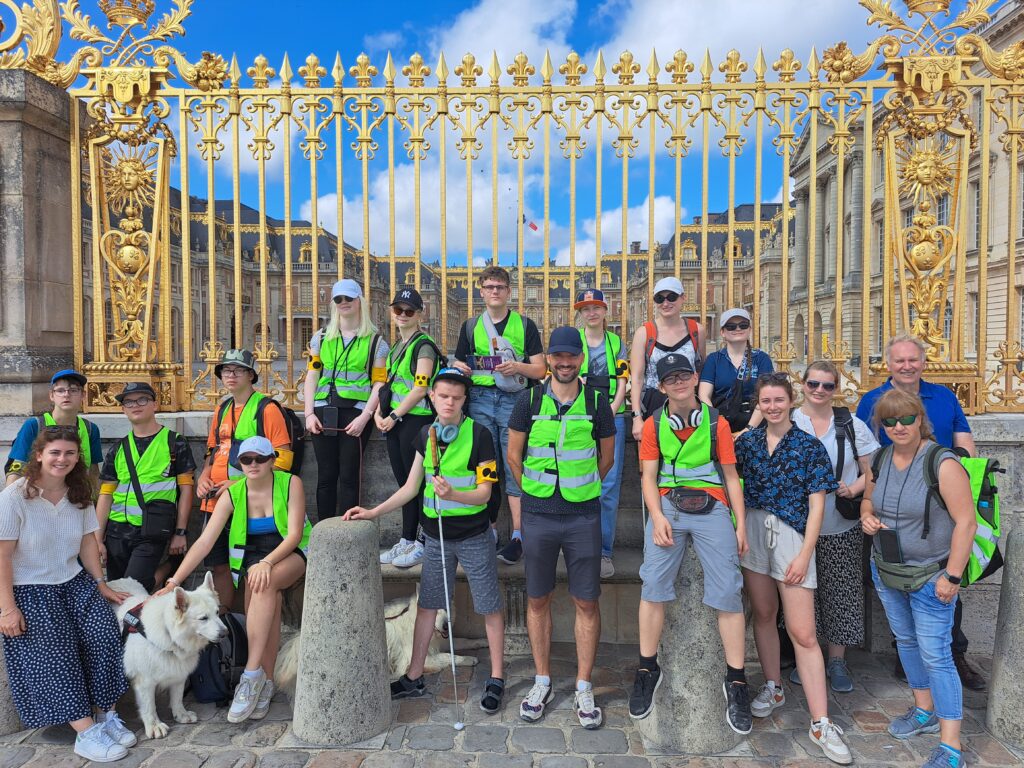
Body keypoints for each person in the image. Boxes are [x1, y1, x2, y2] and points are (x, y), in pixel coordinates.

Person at [345, 368, 506, 712]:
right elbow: (409, 488)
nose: (449, 402)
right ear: (432, 397)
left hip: (474, 535)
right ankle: (413, 674)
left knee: (489, 605)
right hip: (436, 536)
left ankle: (496, 677)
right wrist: (373, 512)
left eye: (456, 397)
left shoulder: (480, 436)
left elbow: (483, 494)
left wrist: (454, 493)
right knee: (428, 605)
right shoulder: (425, 434)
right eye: (443, 395)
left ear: (465, 401)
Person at [629, 352, 752, 734]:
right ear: (662, 387)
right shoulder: (653, 424)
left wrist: (740, 523)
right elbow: (648, 476)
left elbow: (731, 476)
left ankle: (736, 679)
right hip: (670, 503)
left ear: (695, 378)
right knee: (653, 585)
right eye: (671, 379)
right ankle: (648, 667)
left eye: (685, 375)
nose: (679, 382)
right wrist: (657, 517)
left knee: (729, 590)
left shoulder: (717, 423)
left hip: (712, 502)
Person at [0, 428, 136, 763]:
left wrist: (100, 582)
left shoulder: (79, 493)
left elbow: (89, 543)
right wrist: (6, 609)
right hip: (30, 588)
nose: (62, 459)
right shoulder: (16, 497)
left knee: (104, 635)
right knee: (55, 654)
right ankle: (86, 734)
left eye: (69, 454)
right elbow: (2, 556)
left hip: (73, 581)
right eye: (55, 452)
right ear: (39, 455)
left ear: (78, 458)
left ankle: (106, 716)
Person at [735, 373, 851, 765]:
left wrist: (805, 553)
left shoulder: (808, 445)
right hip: (754, 527)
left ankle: (820, 721)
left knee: (803, 632)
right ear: (759, 404)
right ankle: (774, 685)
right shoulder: (747, 443)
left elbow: (817, 504)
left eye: (778, 401)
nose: (772, 407)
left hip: (791, 536)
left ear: (790, 401)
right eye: (765, 401)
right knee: (764, 615)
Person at [856, 334, 983, 691]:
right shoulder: (871, 400)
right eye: (900, 361)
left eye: (913, 359)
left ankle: (954, 655)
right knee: (895, 580)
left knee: (944, 583)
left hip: (939, 504)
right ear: (889, 364)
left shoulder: (944, 397)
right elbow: (865, 451)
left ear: (923, 362)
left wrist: (956, 478)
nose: (907, 366)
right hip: (893, 507)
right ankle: (907, 655)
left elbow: (964, 444)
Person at [158, 436, 311, 724]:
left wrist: (266, 563)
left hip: (291, 552)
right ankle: (265, 684)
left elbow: (293, 536)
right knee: (268, 600)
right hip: (253, 561)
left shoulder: (291, 483)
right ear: (239, 462)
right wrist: (173, 581)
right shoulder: (232, 494)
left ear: (272, 460)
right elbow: (204, 542)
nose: (253, 464)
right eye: (246, 459)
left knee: (264, 583)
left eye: (260, 458)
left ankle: (251, 675)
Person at [861, 389, 976, 768]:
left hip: (931, 575)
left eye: (905, 419)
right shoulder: (880, 458)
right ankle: (923, 710)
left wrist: (953, 577)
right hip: (889, 569)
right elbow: (868, 498)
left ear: (920, 420)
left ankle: (951, 744)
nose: (898, 427)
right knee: (907, 643)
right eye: (889, 421)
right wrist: (867, 516)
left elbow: (966, 523)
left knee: (937, 655)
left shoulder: (942, 463)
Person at [507, 326, 616, 729]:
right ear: (549, 360)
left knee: (586, 601)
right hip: (538, 514)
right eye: (559, 357)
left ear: (580, 360)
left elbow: (607, 457)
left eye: (573, 357)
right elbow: (513, 456)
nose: (566, 363)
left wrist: (582, 488)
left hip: (583, 514)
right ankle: (542, 680)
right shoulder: (528, 401)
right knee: (537, 598)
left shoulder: (597, 403)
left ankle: (584, 685)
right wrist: (534, 494)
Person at [789, 361, 879, 693]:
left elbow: (871, 469)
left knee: (841, 591)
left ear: (835, 388)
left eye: (827, 386)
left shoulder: (850, 424)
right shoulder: (790, 420)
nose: (820, 391)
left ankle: (837, 660)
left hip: (840, 521)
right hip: (797, 525)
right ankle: (806, 656)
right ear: (803, 385)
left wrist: (853, 489)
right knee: (803, 595)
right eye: (814, 384)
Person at [452, 266, 546, 565]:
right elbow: (457, 360)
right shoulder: (470, 327)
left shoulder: (525, 325)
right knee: (485, 465)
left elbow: (541, 370)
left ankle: (519, 535)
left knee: (514, 463)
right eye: (489, 287)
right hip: (480, 398)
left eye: (500, 287)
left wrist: (517, 367)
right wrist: (460, 367)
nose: (495, 291)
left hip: (515, 399)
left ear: (508, 292)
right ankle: (488, 530)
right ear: (481, 291)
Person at [196, 348, 294, 610]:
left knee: (243, 565)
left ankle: (240, 621)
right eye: (226, 370)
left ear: (251, 375)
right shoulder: (223, 408)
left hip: (247, 502)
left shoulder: (267, 409)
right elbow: (213, 450)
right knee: (218, 564)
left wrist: (238, 485)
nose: (231, 375)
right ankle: (226, 619)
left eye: (238, 370)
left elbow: (283, 459)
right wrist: (204, 476)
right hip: (214, 501)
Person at [95, 382, 196, 592]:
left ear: (155, 405)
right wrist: (98, 538)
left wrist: (180, 532)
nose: (135, 405)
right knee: (116, 590)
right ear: (123, 409)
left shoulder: (174, 443)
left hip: (151, 530)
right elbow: (106, 494)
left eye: (142, 399)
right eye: (129, 402)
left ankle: (170, 569)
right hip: (116, 531)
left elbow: (186, 490)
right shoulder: (119, 448)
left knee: (133, 588)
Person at [303, 279, 389, 521]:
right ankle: (324, 531)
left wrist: (366, 416)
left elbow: (379, 383)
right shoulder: (320, 338)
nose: (343, 303)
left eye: (348, 299)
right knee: (326, 476)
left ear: (359, 301)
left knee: (350, 476)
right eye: (338, 299)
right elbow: (312, 375)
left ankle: (349, 531)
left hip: (355, 413)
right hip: (323, 410)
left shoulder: (375, 342)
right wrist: (308, 413)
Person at [375, 287, 442, 569]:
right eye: (398, 310)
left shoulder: (423, 346)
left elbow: (421, 387)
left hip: (416, 421)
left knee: (421, 486)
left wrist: (393, 416)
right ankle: (406, 539)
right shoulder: (395, 347)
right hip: (397, 421)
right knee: (405, 485)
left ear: (419, 314)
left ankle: (423, 542)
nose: (403, 315)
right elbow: (386, 384)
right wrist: (380, 411)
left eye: (409, 311)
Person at [575, 288, 628, 578]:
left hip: (611, 415)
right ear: (580, 314)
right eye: (586, 308)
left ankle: (604, 551)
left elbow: (622, 380)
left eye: (596, 307)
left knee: (608, 486)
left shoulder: (616, 342)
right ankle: (577, 545)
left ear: (605, 311)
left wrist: (612, 409)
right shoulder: (574, 341)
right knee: (577, 479)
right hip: (580, 417)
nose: (591, 313)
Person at [629, 276, 704, 440]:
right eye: (659, 298)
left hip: (689, 402)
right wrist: (636, 417)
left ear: (683, 298)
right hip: (654, 401)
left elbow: (700, 369)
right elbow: (636, 378)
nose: (665, 303)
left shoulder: (696, 330)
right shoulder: (644, 333)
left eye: (671, 297)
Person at [5, 369, 102, 488]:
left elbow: (93, 471)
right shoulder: (35, 425)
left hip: (77, 497)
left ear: (83, 395)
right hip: (38, 496)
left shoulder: (90, 429)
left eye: (73, 390)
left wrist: (96, 503)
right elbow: (17, 468)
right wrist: (9, 502)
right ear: (51, 395)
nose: (67, 394)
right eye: (60, 390)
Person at [697, 308, 772, 434]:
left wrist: (749, 429)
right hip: (721, 422)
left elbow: (766, 396)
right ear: (722, 332)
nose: (738, 329)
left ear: (749, 329)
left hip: (756, 423)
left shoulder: (761, 358)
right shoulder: (714, 359)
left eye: (743, 325)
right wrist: (717, 423)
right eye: (731, 326)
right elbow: (704, 395)